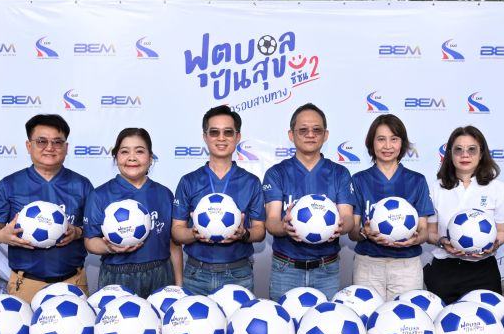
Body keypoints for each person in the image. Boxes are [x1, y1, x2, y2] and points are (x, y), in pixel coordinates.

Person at [0, 114, 93, 302]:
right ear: (28, 146)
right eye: (42, 141)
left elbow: (95, 228)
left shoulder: (81, 184)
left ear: (66, 147)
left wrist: (78, 232)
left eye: (57, 142)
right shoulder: (10, 184)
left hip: (73, 281)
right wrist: (2, 235)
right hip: (26, 283)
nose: (50, 147)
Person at [262, 103, 355, 301]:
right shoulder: (276, 173)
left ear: (326, 135)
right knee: (283, 320)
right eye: (303, 130)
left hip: (327, 269)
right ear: (291, 135)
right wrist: (284, 227)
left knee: (326, 320)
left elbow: (348, 218)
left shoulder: (339, 173)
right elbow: (271, 221)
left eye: (317, 130)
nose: (310, 135)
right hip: (285, 269)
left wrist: (341, 226)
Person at [172, 106, 266, 295]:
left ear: (237, 137)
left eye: (228, 132)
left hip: (238, 275)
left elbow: (260, 231)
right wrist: (193, 234)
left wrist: (244, 234)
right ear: (205, 137)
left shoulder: (251, 182)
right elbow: (176, 231)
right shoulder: (189, 181)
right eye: (214, 132)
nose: (221, 138)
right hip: (196, 275)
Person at [83, 128, 181, 298]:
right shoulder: (100, 195)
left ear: (150, 158)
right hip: (117, 276)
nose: (132, 157)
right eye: (124, 152)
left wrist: (178, 285)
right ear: (116, 157)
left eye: (139, 151)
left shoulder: (164, 194)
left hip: (161, 273)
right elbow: (90, 242)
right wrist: (109, 248)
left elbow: (173, 244)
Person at [348, 114, 434, 300]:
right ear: (371, 143)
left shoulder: (417, 181)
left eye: (394, 139)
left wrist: (415, 239)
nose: (387, 146)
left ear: (402, 143)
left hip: (406, 266)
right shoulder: (359, 180)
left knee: (405, 316)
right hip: (368, 265)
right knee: (367, 315)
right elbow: (353, 232)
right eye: (381, 139)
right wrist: (364, 232)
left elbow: (424, 230)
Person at [422, 126, 504, 303]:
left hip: (483, 270)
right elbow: (430, 233)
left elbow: (502, 231)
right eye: (458, 150)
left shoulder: (499, 189)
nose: (465, 155)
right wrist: (442, 242)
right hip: (444, 271)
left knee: (486, 319)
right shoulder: (436, 188)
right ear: (450, 154)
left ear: (481, 153)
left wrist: (494, 245)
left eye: (471, 149)